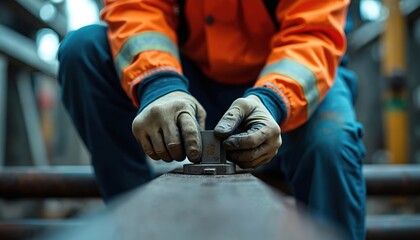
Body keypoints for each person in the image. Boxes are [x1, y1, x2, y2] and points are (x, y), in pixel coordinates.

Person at [57, 0, 366, 239]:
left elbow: (312, 30)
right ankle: (135, 227)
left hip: (288, 80)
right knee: (83, 51)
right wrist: (159, 83)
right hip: (188, 81)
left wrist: (273, 100)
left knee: (331, 143)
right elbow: (139, 7)